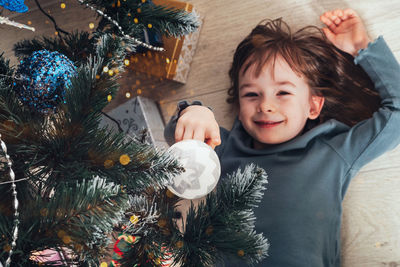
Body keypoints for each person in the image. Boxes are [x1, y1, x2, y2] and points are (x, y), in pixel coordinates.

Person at [164, 9, 400, 267]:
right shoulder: (224, 147)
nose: (265, 105)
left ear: (313, 106)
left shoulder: (332, 151)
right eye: (252, 95)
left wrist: (361, 48)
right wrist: (195, 112)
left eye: (283, 93)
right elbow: (179, 141)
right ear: (239, 107)